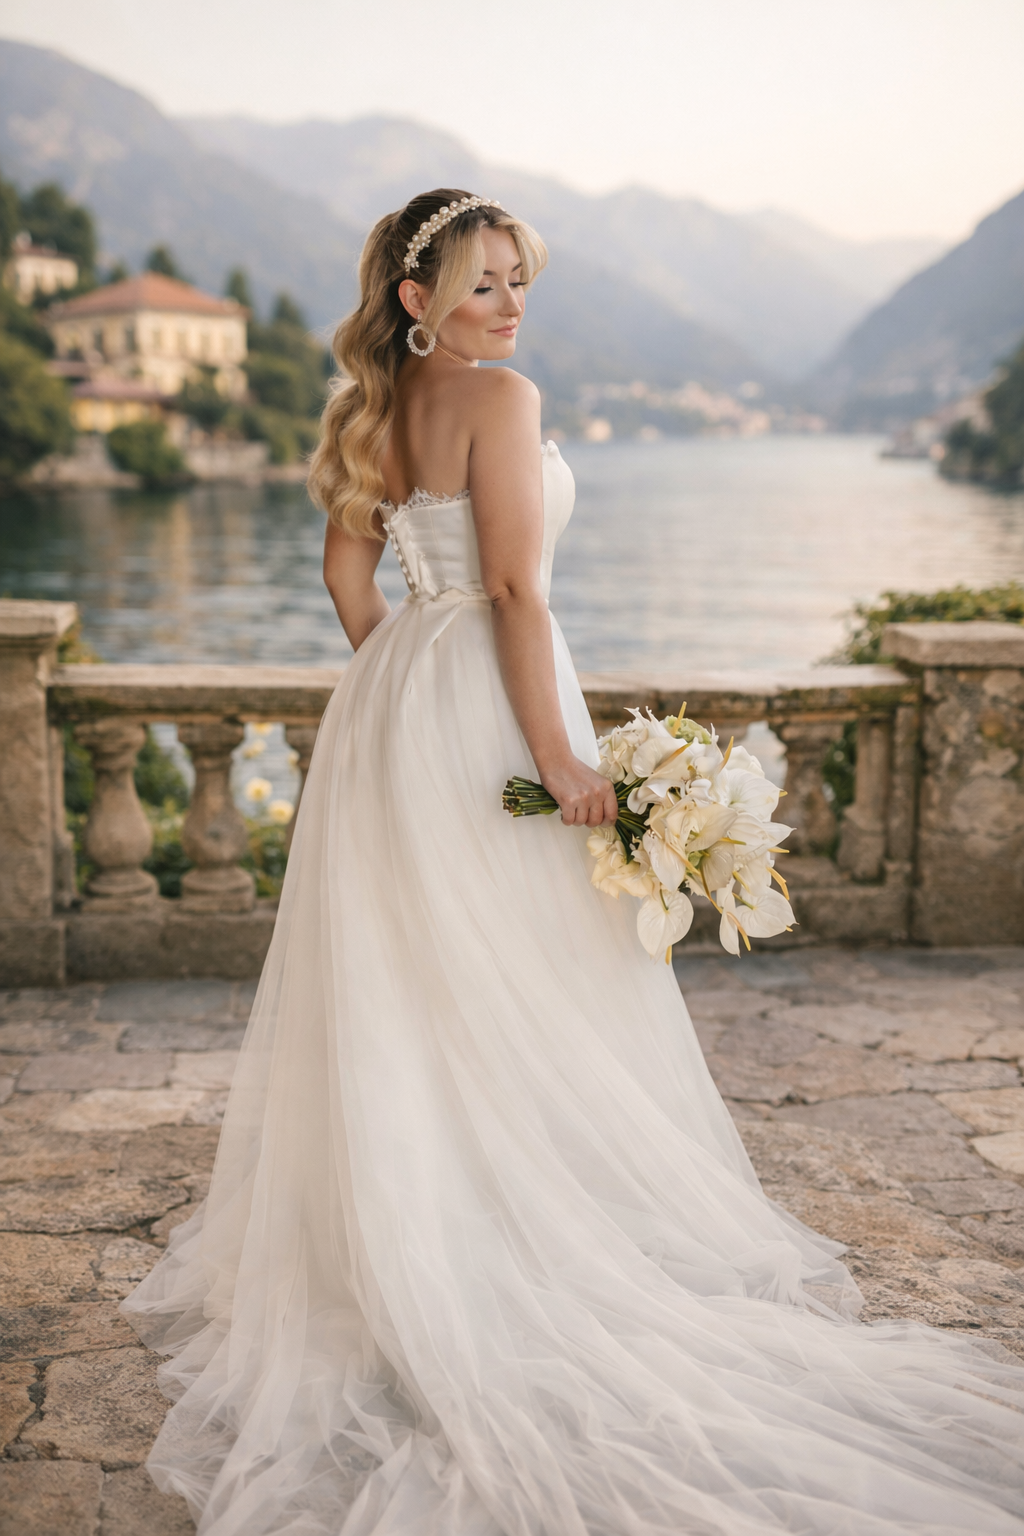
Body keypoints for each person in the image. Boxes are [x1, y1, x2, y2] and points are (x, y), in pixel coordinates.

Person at [123, 190, 1024, 1536]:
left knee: (415, 970)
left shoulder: (373, 406)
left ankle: (406, 1231)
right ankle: (501, 1230)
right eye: (482, 284)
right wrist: (562, 760)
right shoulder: (502, 396)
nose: (508, 305)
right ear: (419, 296)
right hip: (488, 690)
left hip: (399, 699)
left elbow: (343, 569)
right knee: (524, 963)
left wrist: (394, 679)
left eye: (517, 282)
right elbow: (524, 593)